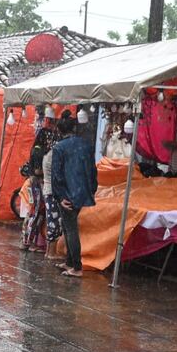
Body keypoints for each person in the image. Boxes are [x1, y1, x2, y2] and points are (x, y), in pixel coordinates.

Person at [51, 115, 97, 278]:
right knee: (67, 226)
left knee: (70, 229)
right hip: (82, 192)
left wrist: (60, 196)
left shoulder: (59, 148)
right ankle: (70, 262)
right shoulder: (86, 145)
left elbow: (56, 175)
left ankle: (76, 266)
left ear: (59, 130)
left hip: (67, 194)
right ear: (74, 128)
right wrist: (92, 189)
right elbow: (93, 170)